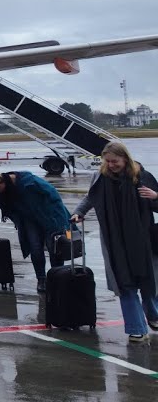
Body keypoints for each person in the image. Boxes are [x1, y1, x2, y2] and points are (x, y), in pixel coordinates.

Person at [69, 141, 158, 343]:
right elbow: (90, 198)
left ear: (125, 158)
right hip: (114, 240)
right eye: (107, 161)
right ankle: (136, 328)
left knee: (149, 282)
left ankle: (153, 316)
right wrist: (79, 212)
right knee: (124, 283)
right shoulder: (100, 178)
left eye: (115, 161)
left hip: (142, 240)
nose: (111, 165)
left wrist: (155, 196)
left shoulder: (142, 177)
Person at [0, 169, 72, 292]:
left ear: (0, 184)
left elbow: (53, 195)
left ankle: (56, 278)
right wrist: (19, 222)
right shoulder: (1, 196)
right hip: (29, 221)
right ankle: (41, 279)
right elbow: (10, 212)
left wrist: (60, 219)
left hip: (48, 217)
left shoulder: (29, 181)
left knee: (55, 248)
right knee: (35, 248)